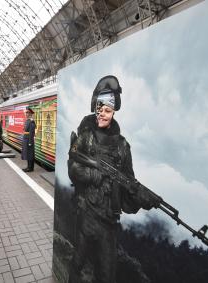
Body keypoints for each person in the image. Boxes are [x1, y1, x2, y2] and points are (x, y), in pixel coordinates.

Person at [67, 75, 161, 283]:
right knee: (77, 265)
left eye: (107, 110)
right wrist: (95, 174)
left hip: (109, 223)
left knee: (107, 276)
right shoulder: (86, 136)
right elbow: (73, 167)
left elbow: (129, 184)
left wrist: (142, 198)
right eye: (99, 109)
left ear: (114, 110)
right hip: (86, 215)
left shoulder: (122, 146)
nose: (102, 114)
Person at [21, 107, 36, 172]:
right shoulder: (27, 121)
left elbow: (31, 132)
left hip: (28, 140)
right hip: (26, 139)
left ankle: (30, 168)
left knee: (30, 154)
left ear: (30, 114)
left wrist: (30, 142)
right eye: (26, 112)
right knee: (27, 154)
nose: (26, 114)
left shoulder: (31, 122)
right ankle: (28, 167)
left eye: (27, 113)